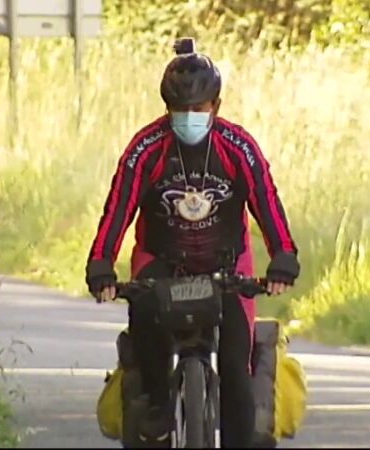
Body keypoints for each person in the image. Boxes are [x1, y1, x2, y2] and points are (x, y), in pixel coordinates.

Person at [85, 37, 300, 447]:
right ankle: (158, 409)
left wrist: (284, 256)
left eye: (198, 109)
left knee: (235, 367)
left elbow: (266, 200)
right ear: (166, 108)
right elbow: (118, 207)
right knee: (145, 322)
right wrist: (101, 265)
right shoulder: (145, 149)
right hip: (161, 259)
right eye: (179, 110)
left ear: (216, 106)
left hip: (227, 262)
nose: (189, 117)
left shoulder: (239, 147)